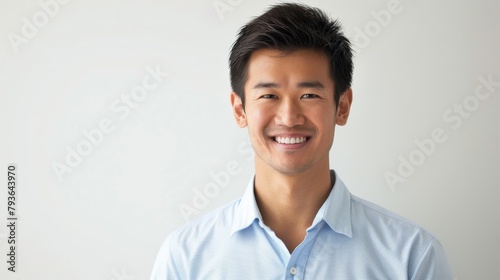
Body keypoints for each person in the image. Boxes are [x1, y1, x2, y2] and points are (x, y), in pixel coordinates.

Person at [150, 3, 453, 279]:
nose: (289, 116)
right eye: (269, 95)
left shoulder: (411, 255)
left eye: (309, 95)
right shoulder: (185, 257)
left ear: (342, 106)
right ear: (240, 109)